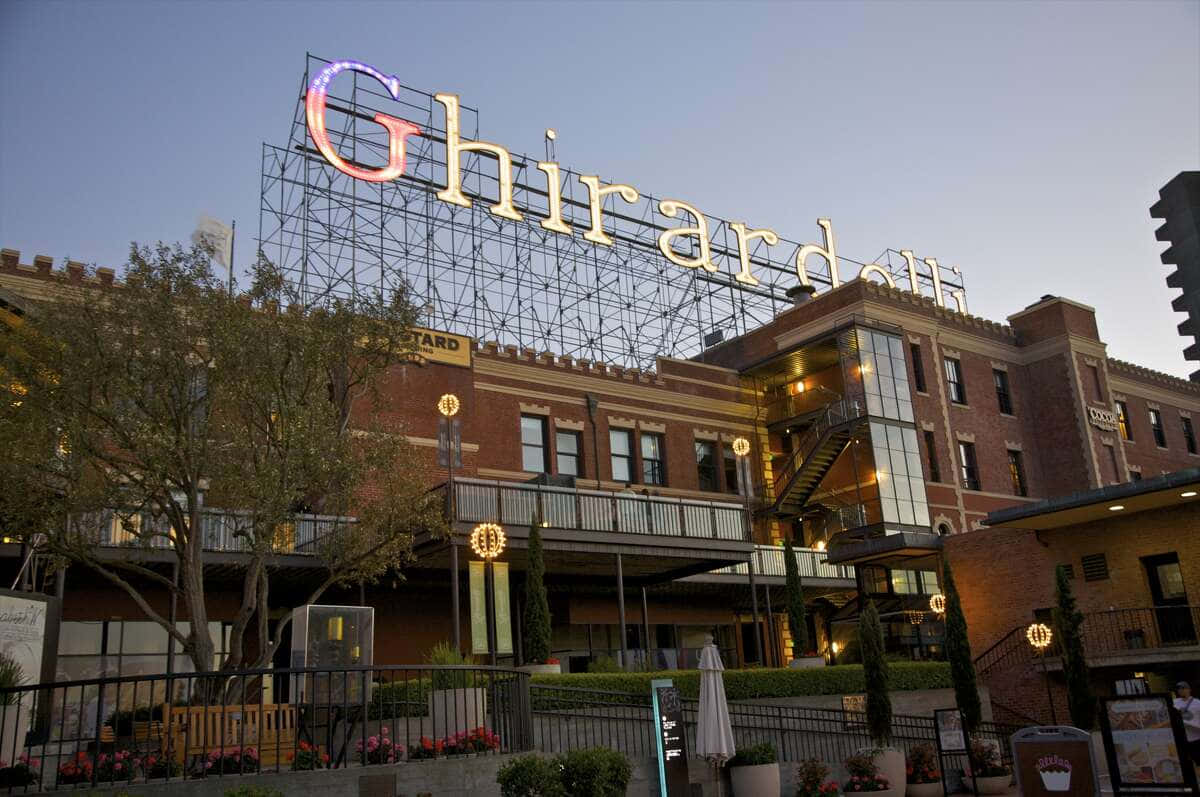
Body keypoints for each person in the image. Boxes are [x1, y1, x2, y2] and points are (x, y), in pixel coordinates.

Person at [1174, 681, 1200, 767]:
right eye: (1179, 688)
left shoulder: (1197, 703)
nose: (1181, 690)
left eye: (1183, 688)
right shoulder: (1174, 702)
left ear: (1189, 689)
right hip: (1181, 739)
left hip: (1196, 738)